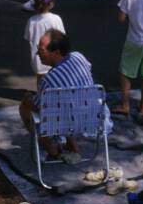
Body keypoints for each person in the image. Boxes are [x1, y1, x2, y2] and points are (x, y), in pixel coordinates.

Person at [33, 29, 96, 161]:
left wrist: (29, 101)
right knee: (67, 102)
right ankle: (72, 145)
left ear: (56, 53)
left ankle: (51, 149)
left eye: (41, 50)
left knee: (29, 106)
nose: (37, 53)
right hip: (90, 116)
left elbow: (39, 106)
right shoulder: (79, 57)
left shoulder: (49, 80)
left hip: (66, 120)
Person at [18, 0, 65, 130]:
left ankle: (42, 99)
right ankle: (55, 98)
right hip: (54, 56)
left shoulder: (32, 21)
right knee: (56, 77)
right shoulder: (56, 19)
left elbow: (27, 37)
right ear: (51, 3)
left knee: (41, 79)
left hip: (38, 57)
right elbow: (62, 36)